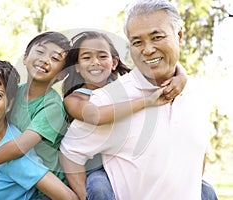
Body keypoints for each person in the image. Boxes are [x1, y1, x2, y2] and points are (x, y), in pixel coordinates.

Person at [60, 1, 215, 199]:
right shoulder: (109, 100)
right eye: (137, 42)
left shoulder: (196, 93)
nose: (148, 49)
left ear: (179, 36)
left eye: (157, 37)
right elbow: (69, 154)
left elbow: (197, 155)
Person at [60, 31, 187, 200]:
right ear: (77, 66)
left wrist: (182, 76)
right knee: (99, 188)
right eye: (87, 57)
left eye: (102, 56)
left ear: (114, 63)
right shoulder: (75, 98)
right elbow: (96, 115)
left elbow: (160, 69)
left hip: (130, 164)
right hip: (95, 170)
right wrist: (147, 101)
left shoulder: (126, 87)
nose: (95, 62)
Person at [0, 32, 78, 200]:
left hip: (46, 189)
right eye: (41, 52)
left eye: (55, 58)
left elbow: (18, 148)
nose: (45, 60)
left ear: (61, 75)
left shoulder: (53, 106)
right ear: (25, 57)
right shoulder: (13, 92)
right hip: (21, 179)